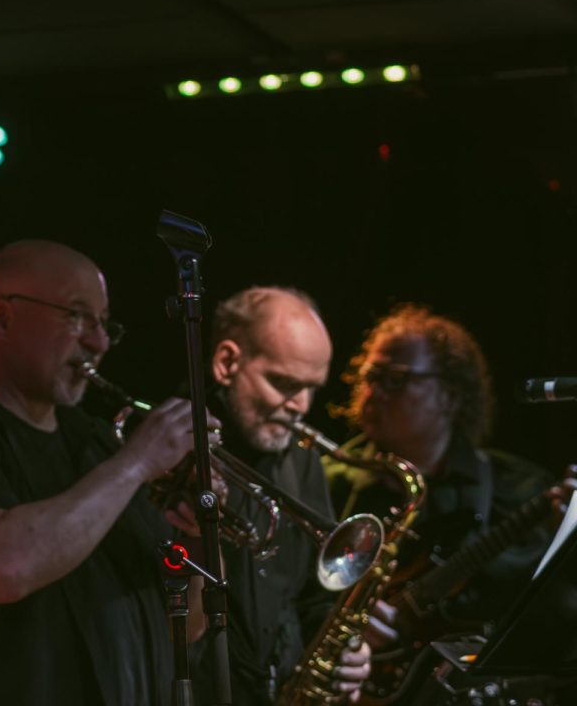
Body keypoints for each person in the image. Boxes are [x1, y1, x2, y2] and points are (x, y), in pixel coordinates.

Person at [0, 240, 207, 706]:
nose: (99, 341)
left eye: (103, 323)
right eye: (77, 317)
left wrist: (198, 535)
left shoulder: (96, 442)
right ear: (3, 317)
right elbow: (4, 568)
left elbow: (187, 624)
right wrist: (137, 462)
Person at [327, 305, 568, 657]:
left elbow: (548, 616)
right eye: (370, 376)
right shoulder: (327, 480)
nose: (373, 392)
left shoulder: (520, 488)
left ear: (450, 395)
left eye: (395, 378)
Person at [192, 286, 372, 705]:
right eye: (285, 383)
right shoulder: (172, 447)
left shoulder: (303, 464)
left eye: (312, 388)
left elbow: (314, 596)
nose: (301, 406)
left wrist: (349, 652)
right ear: (227, 363)